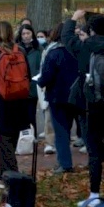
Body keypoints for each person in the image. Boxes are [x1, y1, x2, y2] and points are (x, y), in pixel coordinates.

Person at [62, 10, 104, 207]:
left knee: (94, 151)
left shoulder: (85, 48)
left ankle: (94, 194)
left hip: (90, 107)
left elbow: (66, 37)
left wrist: (73, 18)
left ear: (91, 30)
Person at [0, 21, 32, 189]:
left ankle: (11, 178)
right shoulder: (21, 51)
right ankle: (3, 174)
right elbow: (28, 75)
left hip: (0, 103)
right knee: (11, 140)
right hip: (19, 102)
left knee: (3, 143)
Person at [37, 22, 78, 173]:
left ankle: (65, 163)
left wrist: (40, 82)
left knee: (61, 132)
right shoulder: (77, 51)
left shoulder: (53, 53)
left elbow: (46, 76)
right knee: (72, 128)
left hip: (57, 97)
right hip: (75, 96)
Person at [18, 24, 43, 135]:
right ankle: (23, 137)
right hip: (20, 85)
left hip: (33, 85)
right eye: (23, 34)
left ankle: (33, 136)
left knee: (31, 113)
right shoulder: (17, 49)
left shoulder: (38, 49)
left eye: (28, 33)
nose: (26, 36)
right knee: (21, 114)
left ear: (32, 33)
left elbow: (42, 65)